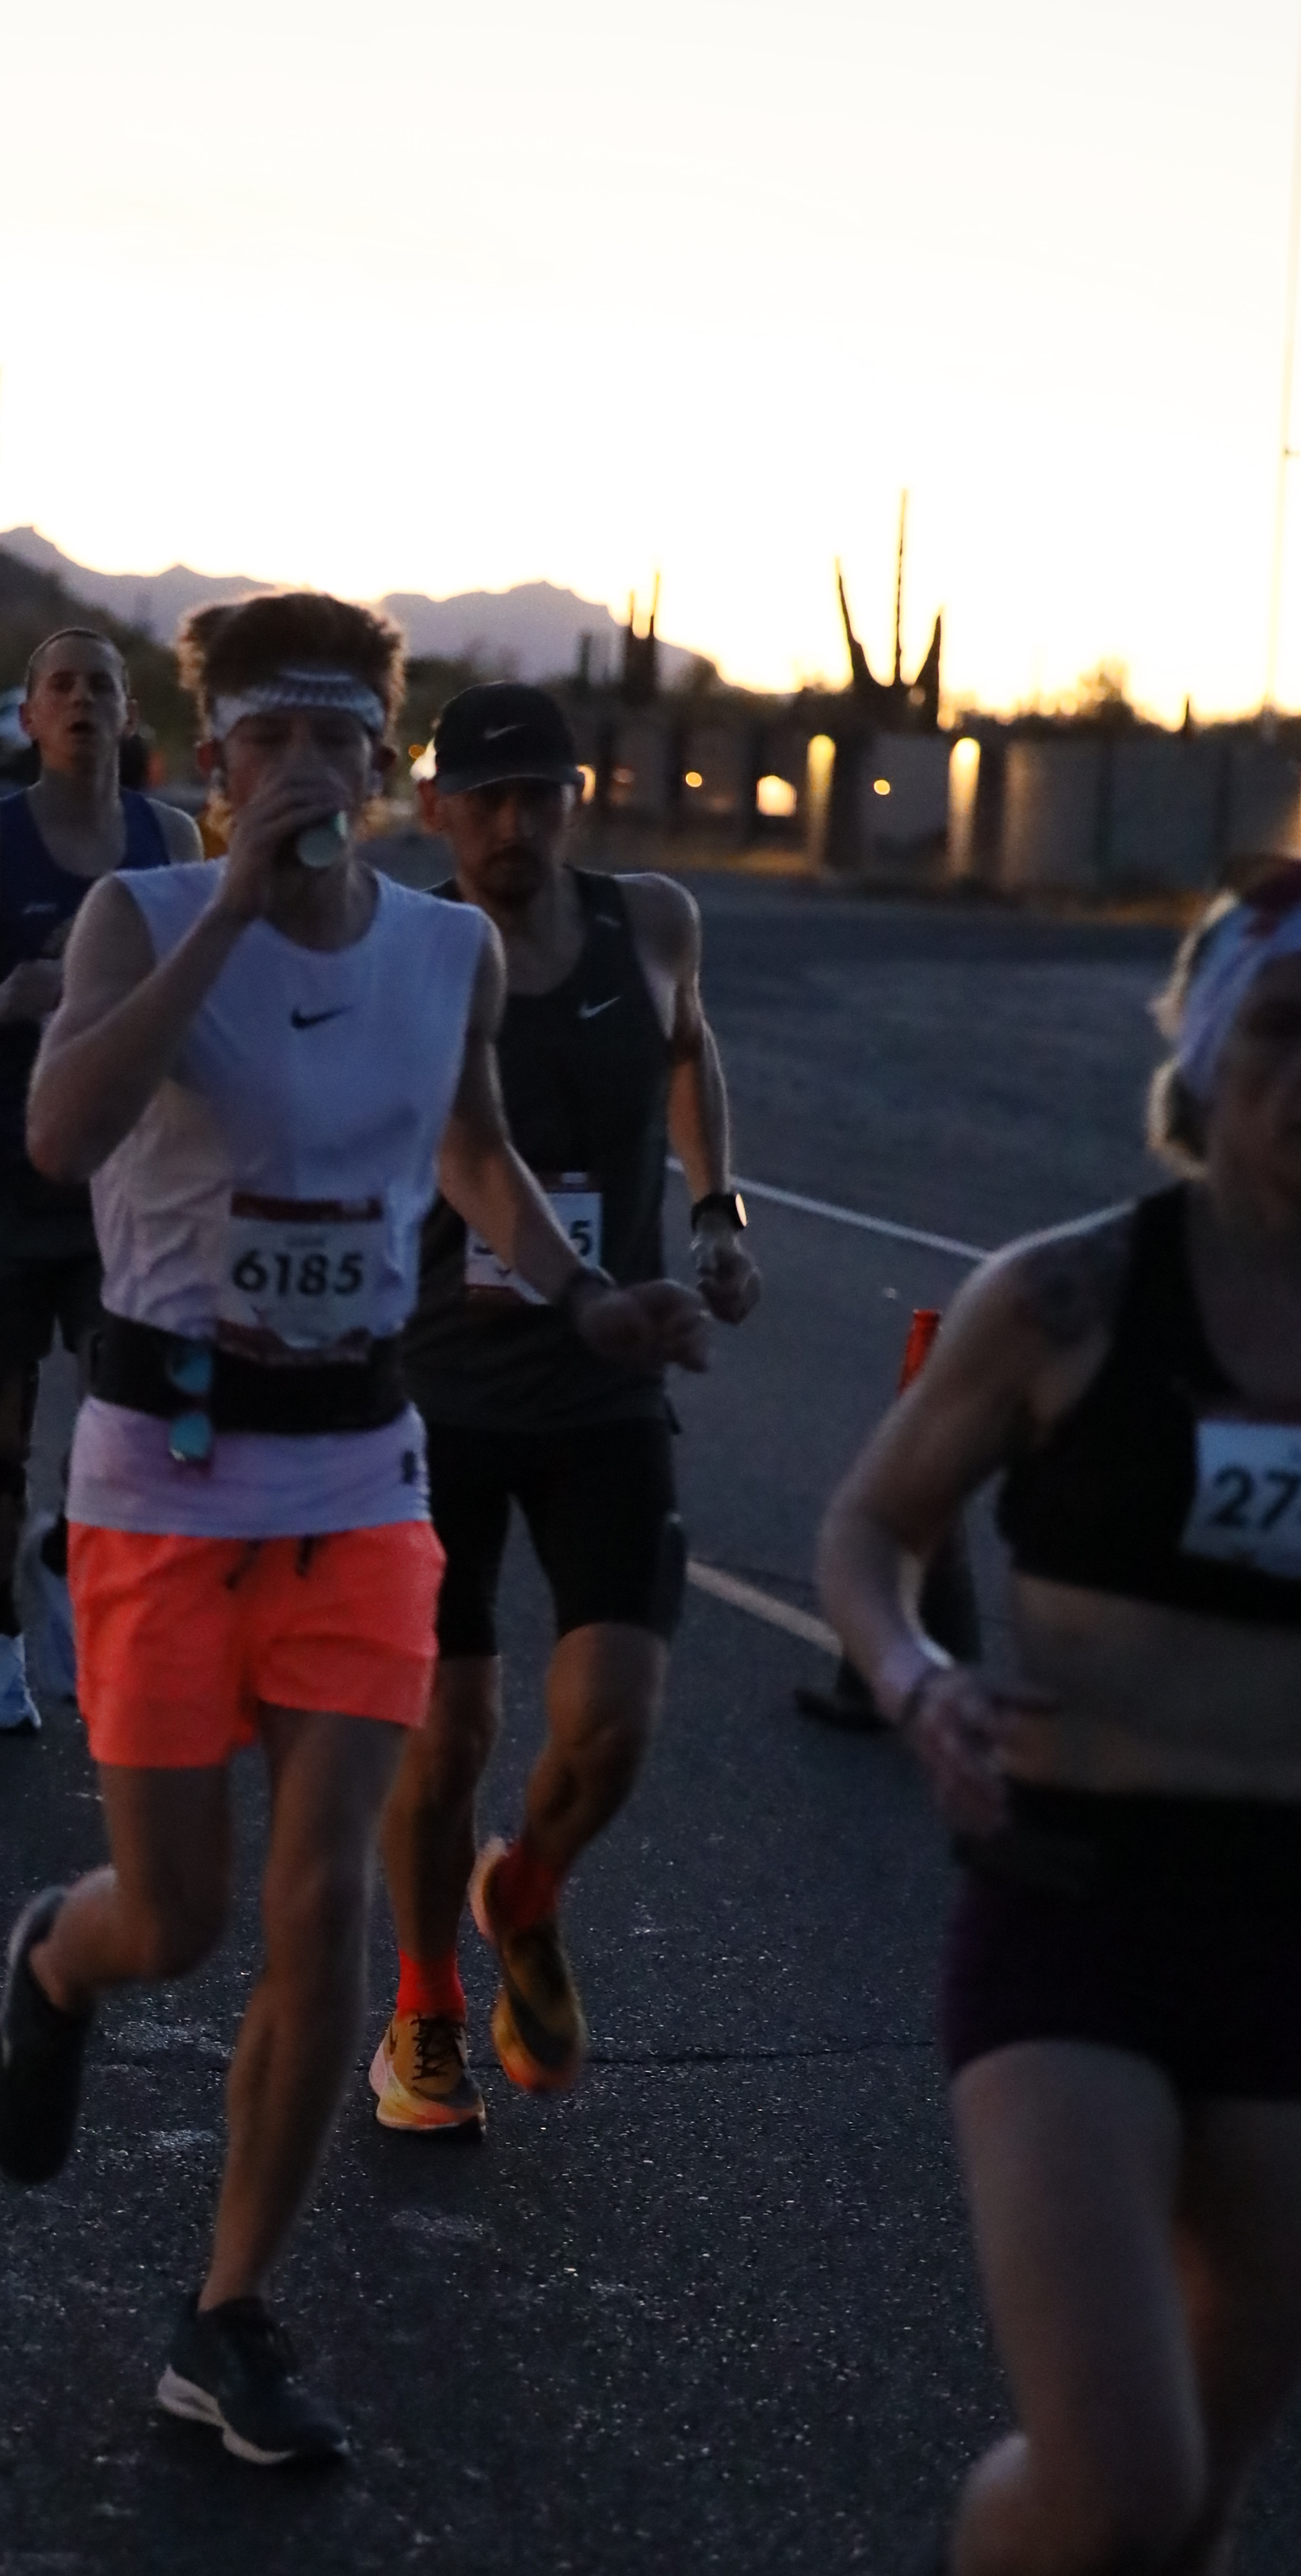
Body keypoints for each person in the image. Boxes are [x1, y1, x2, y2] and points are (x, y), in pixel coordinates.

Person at [0, 594, 708, 2463]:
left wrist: (583, 1295)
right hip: (163, 1473)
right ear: (211, 768)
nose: (304, 773)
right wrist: (225, 911)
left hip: (361, 1476)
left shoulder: (448, 950)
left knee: (323, 1912)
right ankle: (58, 1958)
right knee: (177, 1916)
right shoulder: (145, 917)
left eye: (338, 744)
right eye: (267, 743)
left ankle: (224, 2316)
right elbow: (59, 1133)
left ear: (387, 771)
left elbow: (473, 1149)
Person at [820, 866, 1301, 2576]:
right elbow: (867, 1526)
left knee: (1199, 2498)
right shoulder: (1071, 1298)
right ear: (1204, 1059)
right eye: (1284, 1039)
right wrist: (915, 1682)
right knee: (1121, 2467)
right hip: (1077, 1907)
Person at [370, 686, 760, 2132]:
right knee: (446, 1734)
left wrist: (716, 1210)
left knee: (614, 1719)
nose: (513, 824)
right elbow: (462, 1152)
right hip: (435, 1386)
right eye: (484, 798)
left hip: (604, 1383)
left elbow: (687, 1045)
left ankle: (524, 1888)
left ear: (575, 799)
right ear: (435, 809)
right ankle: (423, 2012)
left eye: (539, 794)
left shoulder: (650, 922)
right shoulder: (405, 951)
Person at [0, 629, 200, 1729]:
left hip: (135, 1185)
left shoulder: (174, 843)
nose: (81, 701)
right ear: (27, 716)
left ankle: (68, 1551)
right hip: (12, 1176)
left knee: (135, 1414)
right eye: (60, 686)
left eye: (101, 686)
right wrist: (3, 999)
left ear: (130, 713)